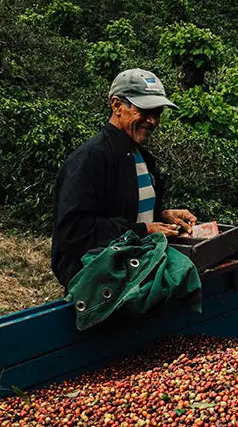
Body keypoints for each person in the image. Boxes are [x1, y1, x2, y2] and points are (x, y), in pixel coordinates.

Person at [51, 68, 197, 287]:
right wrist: (144, 230)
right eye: (145, 110)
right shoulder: (91, 158)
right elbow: (73, 231)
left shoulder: (141, 156)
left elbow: (126, 212)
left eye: (157, 113)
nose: (153, 121)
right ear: (117, 105)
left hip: (135, 273)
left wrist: (162, 215)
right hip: (101, 287)